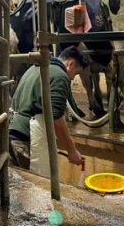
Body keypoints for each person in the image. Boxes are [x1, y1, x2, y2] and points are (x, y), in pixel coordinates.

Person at [8, 46, 87, 176]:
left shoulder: (35, 68)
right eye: (76, 73)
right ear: (71, 64)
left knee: (17, 187)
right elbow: (57, 119)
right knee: (34, 187)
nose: (73, 78)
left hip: (11, 133)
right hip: (26, 140)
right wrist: (71, 150)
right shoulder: (60, 76)